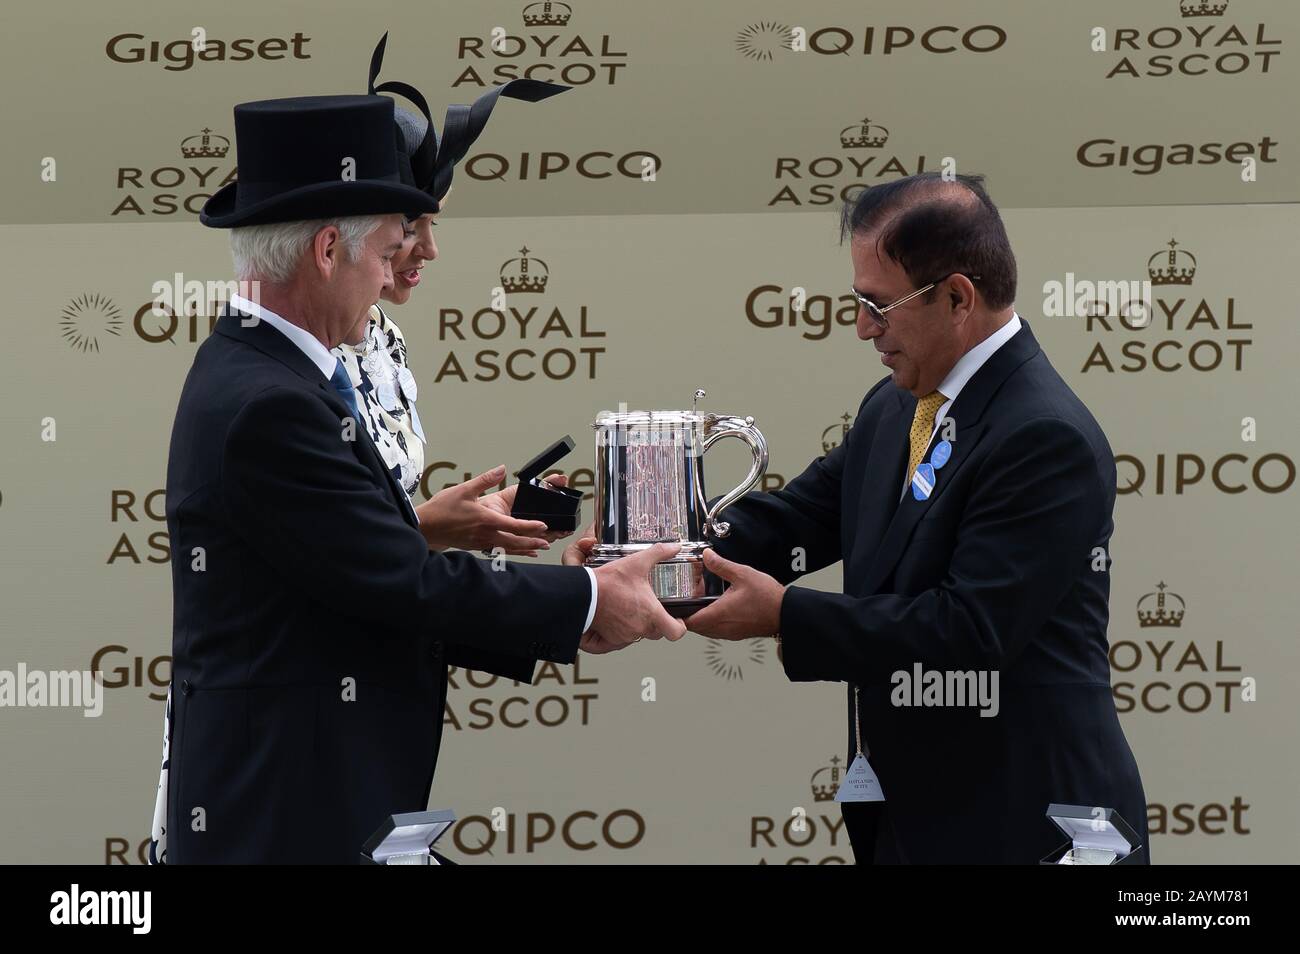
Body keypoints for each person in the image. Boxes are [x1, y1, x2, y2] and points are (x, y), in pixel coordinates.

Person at [157, 93, 684, 864]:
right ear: (328, 251)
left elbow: (363, 582)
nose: (396, 274)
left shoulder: (266, 376)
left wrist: (571, 610)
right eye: (387, 251)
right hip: (288, 815)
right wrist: (593, 601)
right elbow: (403, 584)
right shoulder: (270, 404)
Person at [680, 173, 1148, 864]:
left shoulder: (1044, 436)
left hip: (1026, 823)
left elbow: (968, 630)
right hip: (914, 818)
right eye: (857, 302)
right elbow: (799, 521)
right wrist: (659, 552)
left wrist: (785, 615)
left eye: (878, 305)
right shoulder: (898, 404)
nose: (864, 327)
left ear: (958, 297)